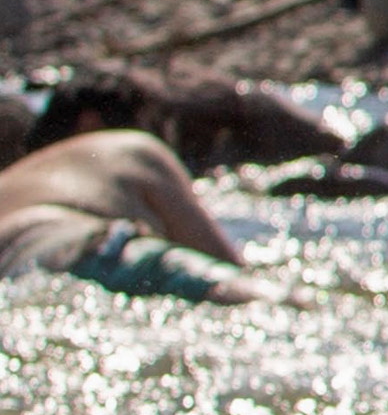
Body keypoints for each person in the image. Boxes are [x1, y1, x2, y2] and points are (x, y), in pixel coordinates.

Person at [0, 123, 256, 300]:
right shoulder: (132, 146)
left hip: (15, 270)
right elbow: (218, 256)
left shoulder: (9, 182)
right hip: (84, 244)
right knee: (259, 295)